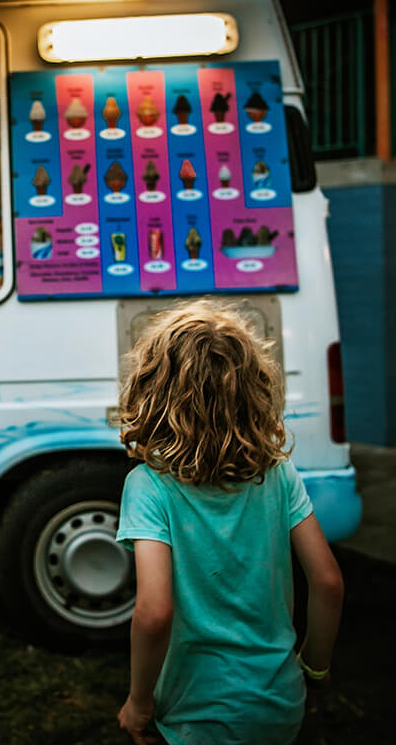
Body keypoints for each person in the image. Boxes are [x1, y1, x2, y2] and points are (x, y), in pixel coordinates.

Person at [114, 301, 345, 745]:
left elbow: (155, 611)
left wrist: (139, 701)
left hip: (193, 716)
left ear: (153, 392)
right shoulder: (277, 473)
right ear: (254, 391)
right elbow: (329, 582)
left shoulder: (149, 487)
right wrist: (315, 667)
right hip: (279, 705)